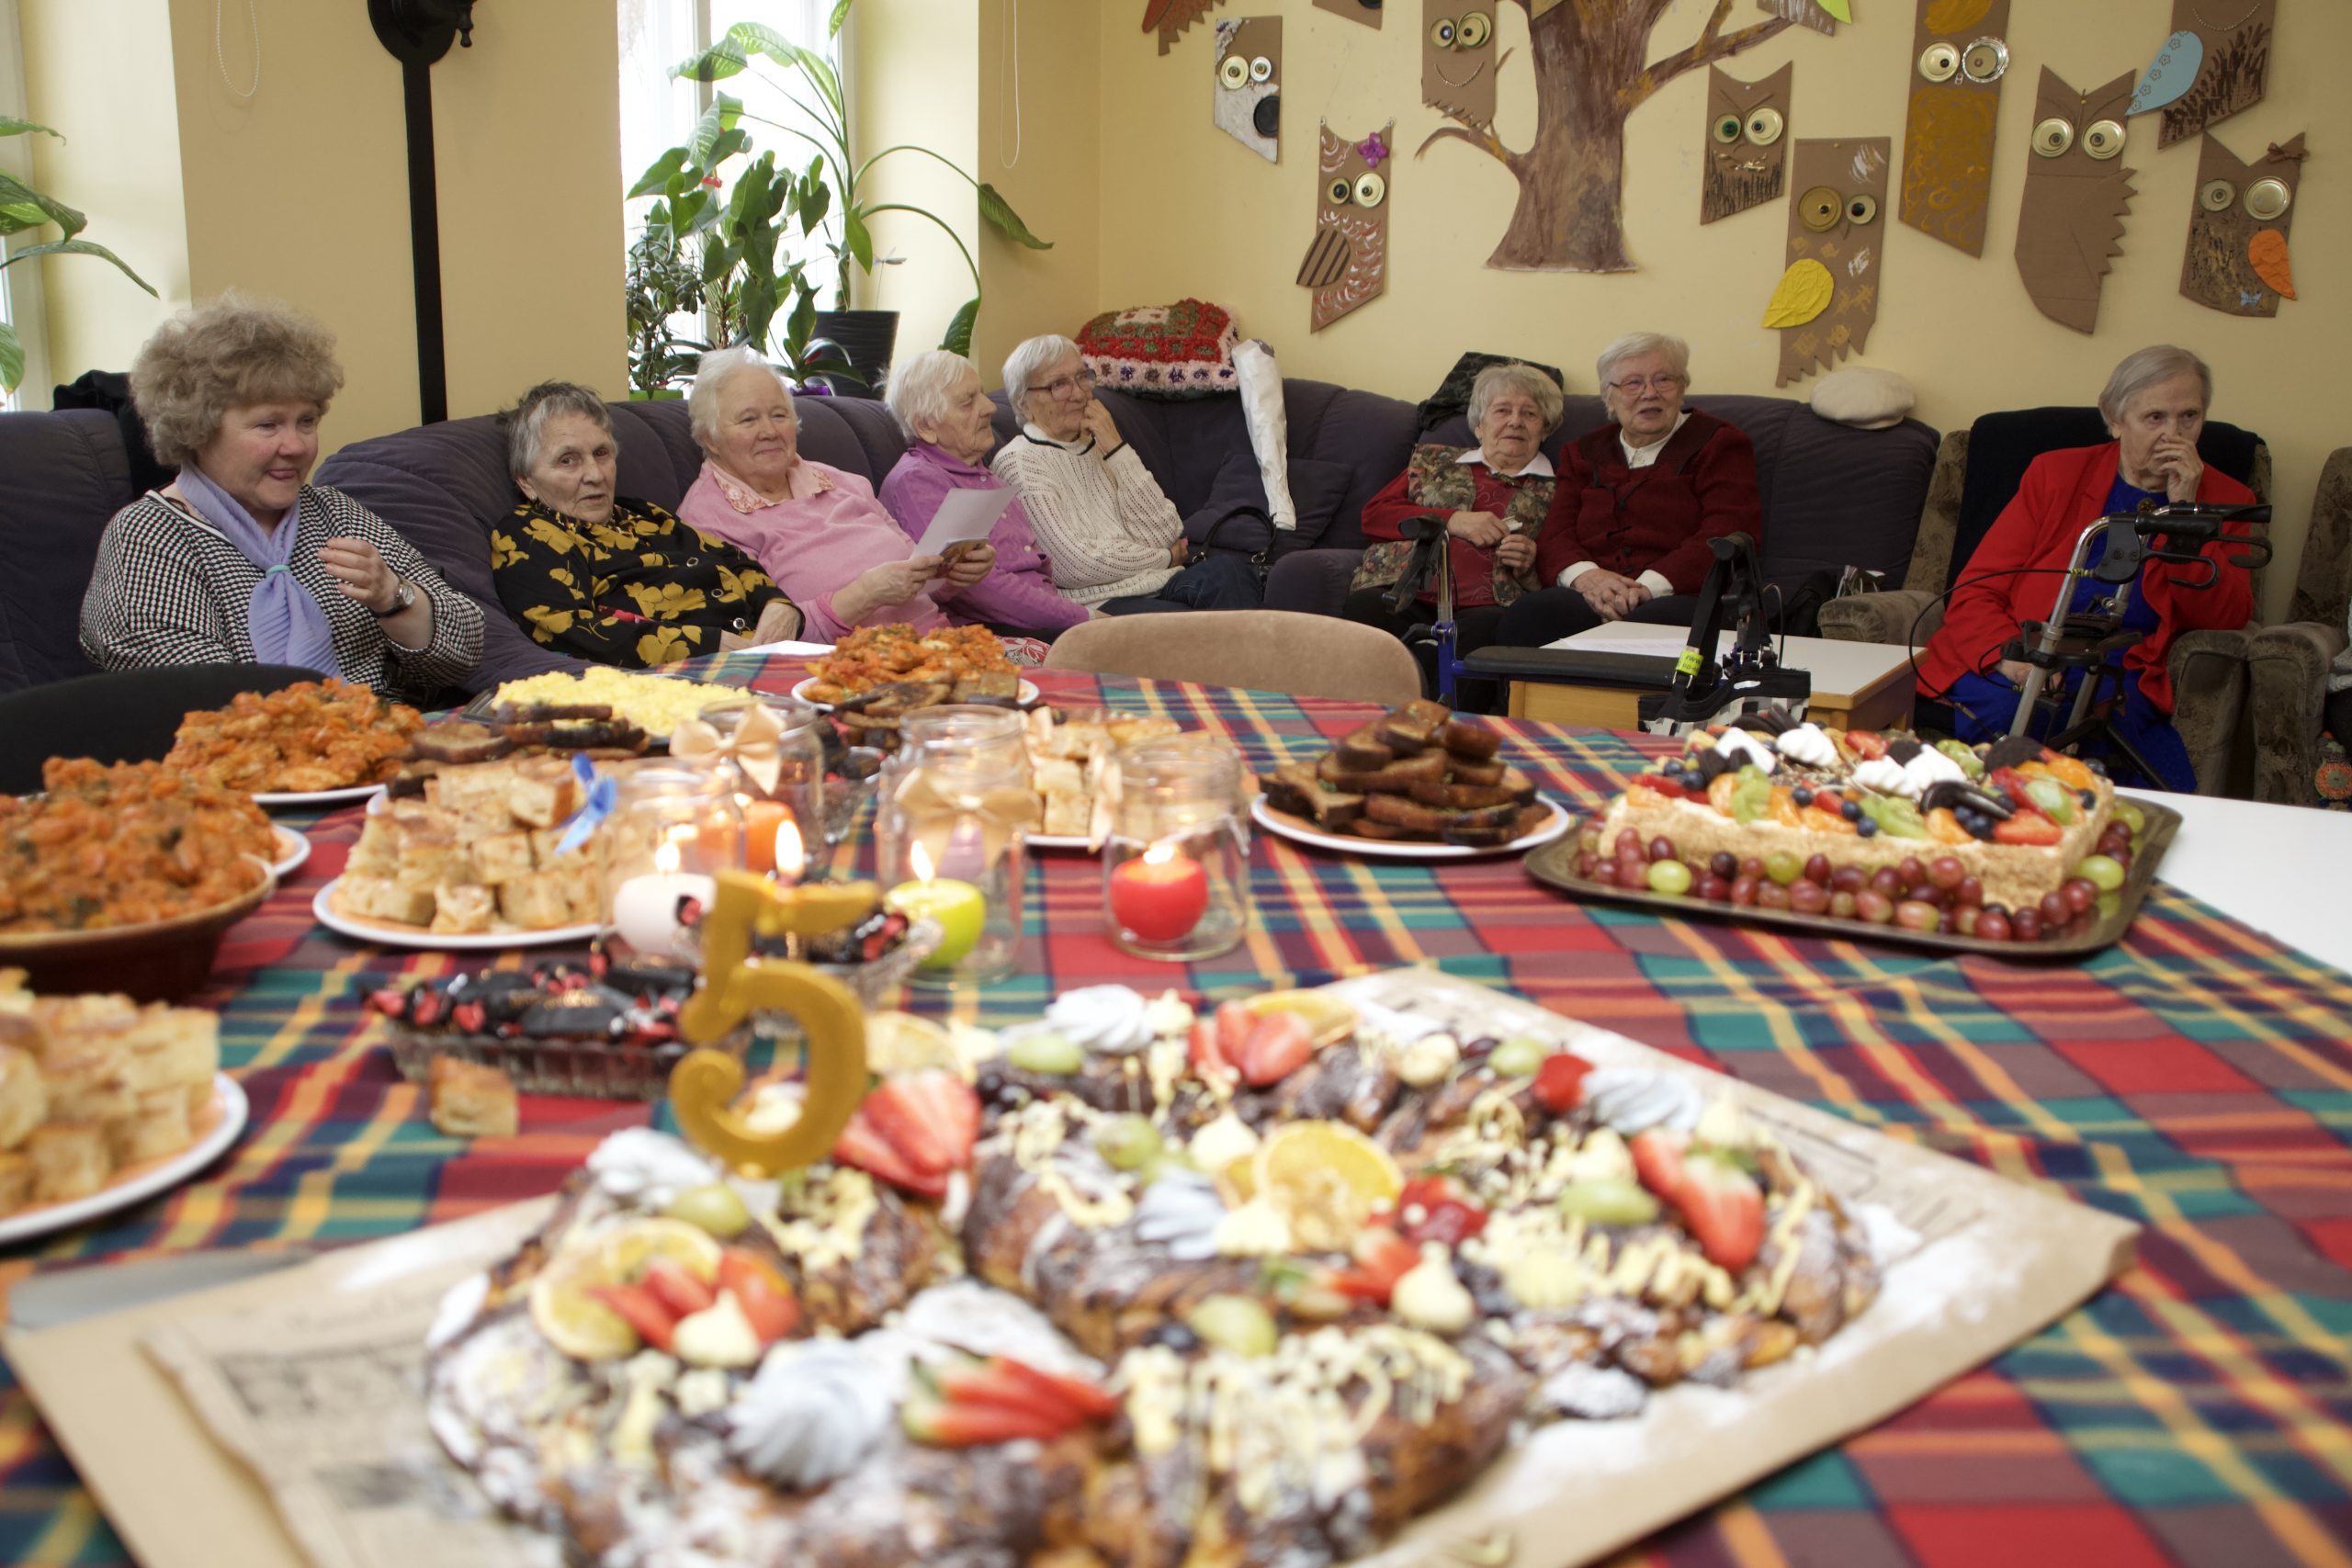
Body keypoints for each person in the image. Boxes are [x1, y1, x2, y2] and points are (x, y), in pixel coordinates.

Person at [80, 296, 481, 700]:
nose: (296, 446)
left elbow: (463, 652)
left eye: (306, 421)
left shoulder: (334, 513)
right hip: (256, 738)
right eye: (268, 425)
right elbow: (202, 695)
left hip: (388, 730)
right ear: (197, 429)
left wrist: (394, 598)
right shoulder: (149, 534)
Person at [1917, 344, 2256, 792]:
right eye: (2155, 418)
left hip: (2121, 666)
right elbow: (1978, 589)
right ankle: (2003, 819)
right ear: (2115, 419)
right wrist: (2015, 661)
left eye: (2189, 417)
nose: (2173, 436)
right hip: (2025, 647)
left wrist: (2185, 518)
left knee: (2099, 726)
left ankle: (2090, 823)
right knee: (2018, 716)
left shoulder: (2229, 499)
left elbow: (2226, 615)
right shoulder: (2055, 474)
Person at [674, 345, 996, 642]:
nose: (769, 431)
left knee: (1026, 667)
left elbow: (921, 578)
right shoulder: (705, 522)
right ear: (710, 437)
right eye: (748, 419)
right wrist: (865, 594)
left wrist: (954, 572)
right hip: (846, 667)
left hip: (942, 643)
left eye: (779, 415)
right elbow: (755, 641)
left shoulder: (841, 482)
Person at [490, 381, 800, 667]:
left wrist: (777, 605)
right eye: (567, 460)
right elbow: (569, 630)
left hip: (755, 654)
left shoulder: (644, 514)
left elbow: (732, 559)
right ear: (526, 481)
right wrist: (711, 644)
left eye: (601, 453)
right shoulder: (527, 534)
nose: (595, 475)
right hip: (683, 676)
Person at [1493, 333, 1761, 649]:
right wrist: (1588, 579)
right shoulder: (1582, 451)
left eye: (1663, 380)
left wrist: (1645, 588)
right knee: (1530, 615)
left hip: (1679, 594)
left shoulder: (1719, 443)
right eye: (1633, 383)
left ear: (1681, 388)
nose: (1650, 393)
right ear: (1610, 397)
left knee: (1649, 626)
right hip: (1590, 593)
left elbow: (1727, 530)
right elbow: (1556, 533)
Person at [989, 334, 1261, 615]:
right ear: (1023, 403)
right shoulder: (1019, 463)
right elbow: (1070, 565)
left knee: (1230, 571)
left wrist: (1117, 449)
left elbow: (1167, 531)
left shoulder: (1101, 444)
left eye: (1082, 377)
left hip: (1158, 583)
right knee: (1187, 622)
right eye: (1059, 384)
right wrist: (1164, 558)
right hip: (1100, 603)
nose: (1080, 394)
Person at [1342, 361, 1563, 671]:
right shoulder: (1432, 463)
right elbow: (1374, 517)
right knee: (1365, 606)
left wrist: (1530, 571)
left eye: (1529, 414)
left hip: (1488, 607)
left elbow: (1562, 561)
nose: (1515, 422)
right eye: (1502, 410)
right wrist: (1452, 520)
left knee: (1483, 638)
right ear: (1479, 426)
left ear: (1545, 429)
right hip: (1406, 592)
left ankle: (1444, 702)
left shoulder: (1558, 489)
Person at [877, 349, 1090, 639]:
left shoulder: (987, 477)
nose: (990, 407)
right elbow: (980, 591)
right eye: (968, 402)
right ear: (926, 426)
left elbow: (1038, 568)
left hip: (1048, 616)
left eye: (982, 394)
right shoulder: (918, 480)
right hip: (995, 629)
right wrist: (1085, 618)